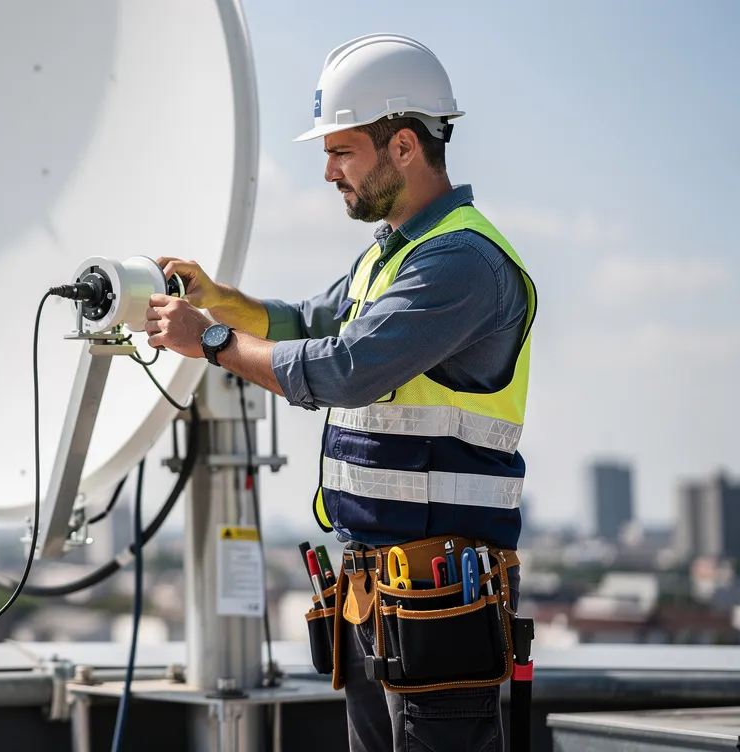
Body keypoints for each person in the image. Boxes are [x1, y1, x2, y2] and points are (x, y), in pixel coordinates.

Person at [145, 33, 535, 752]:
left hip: (437, 606)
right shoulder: (392, 254)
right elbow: (306, 323)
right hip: (377, 600)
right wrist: (222, 300)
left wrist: (209, 340)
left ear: (406, 147)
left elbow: (343, 366)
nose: (326, 171)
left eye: (342, 150)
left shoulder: (460, 263)